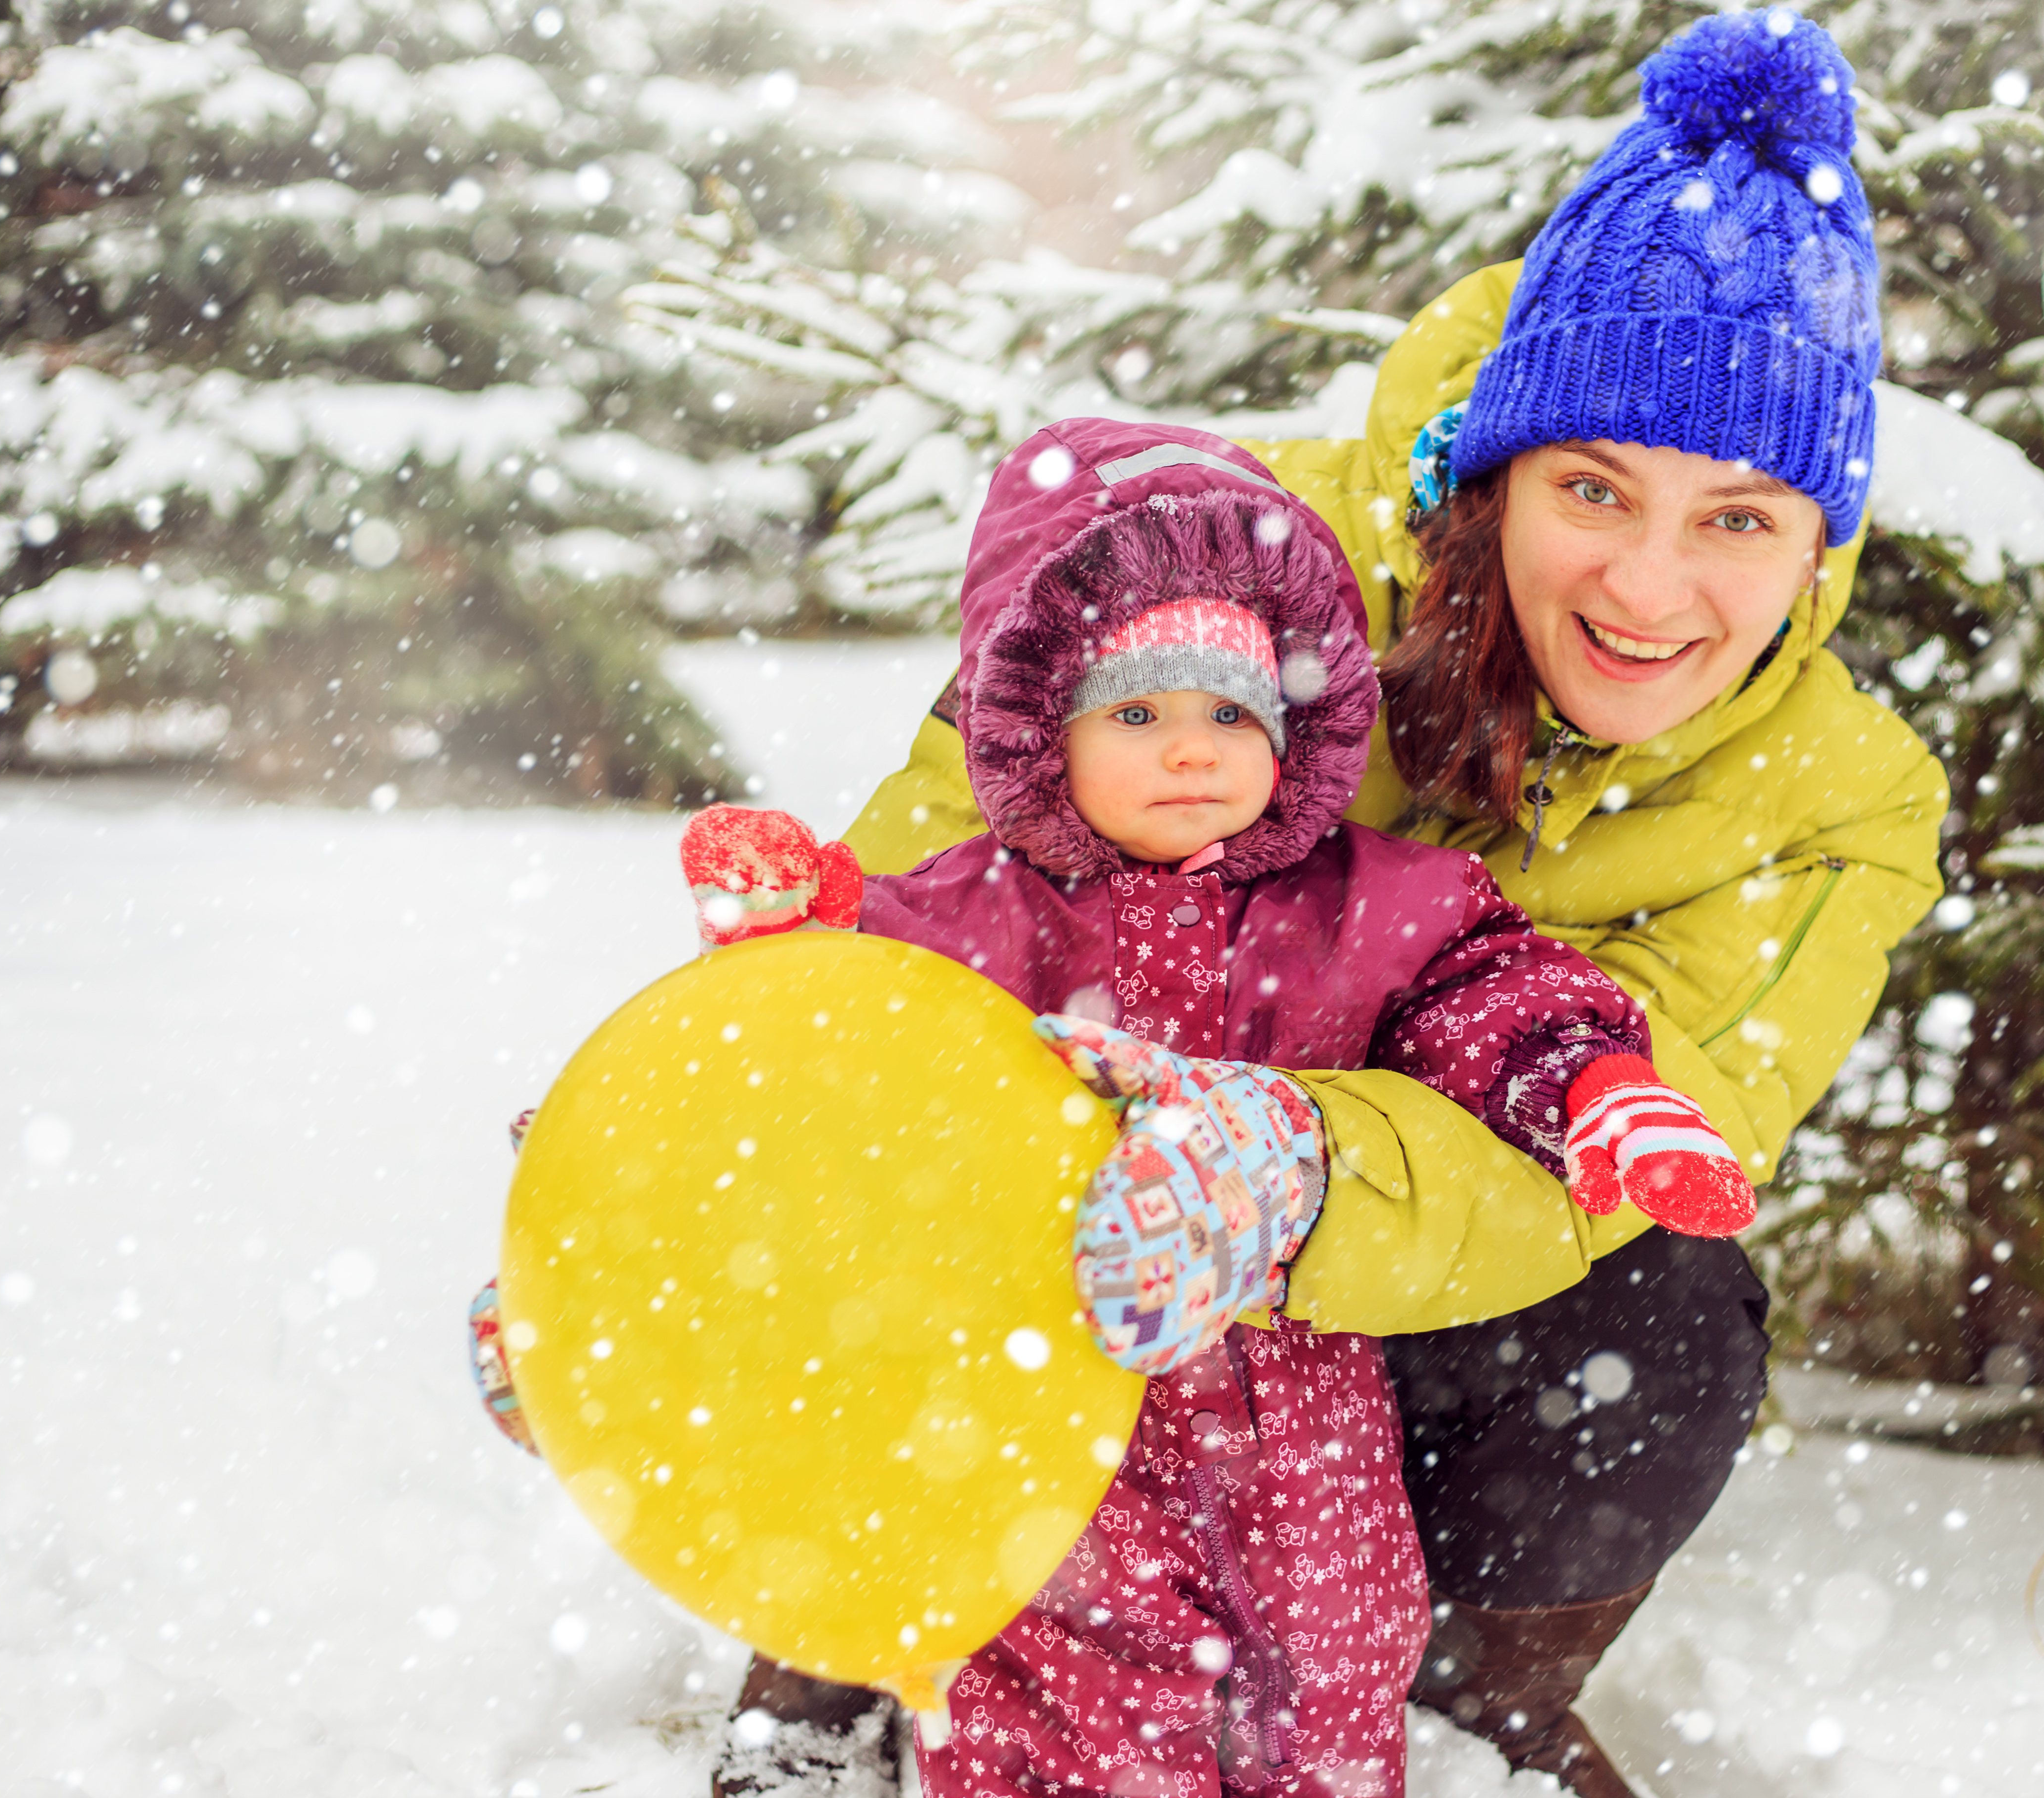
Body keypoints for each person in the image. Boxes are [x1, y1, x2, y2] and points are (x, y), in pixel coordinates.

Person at [798, 13, 1949, 1798]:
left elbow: (1652, 1119)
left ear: (1822, 547)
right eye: (1591, 490)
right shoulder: (1213, 568)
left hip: (1365, 1312)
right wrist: (711, 1182)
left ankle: (1449, 1685)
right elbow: (912, 919)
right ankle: (854, 1636)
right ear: (1492, 477)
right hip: (1036, 1233)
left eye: (1737, 520)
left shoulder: (1838, 806)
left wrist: (1286, 1171)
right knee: (880, 1174)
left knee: (1661, 1307)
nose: (1647, 587)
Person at [480, 415, 1765, 1798]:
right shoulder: (960, 914)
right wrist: (639, 1186)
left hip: (1304, 1430)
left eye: (1232, 711)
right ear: (1047, 725)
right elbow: (811, 1055)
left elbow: (1487, 991)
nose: (1194, 751)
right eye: (1138, 714)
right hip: (1050, 1422)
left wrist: (1594, 1084)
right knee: (1069, 1713)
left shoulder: (1367, 903)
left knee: (1328, 1695)